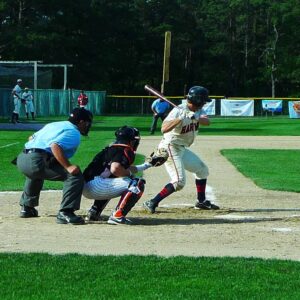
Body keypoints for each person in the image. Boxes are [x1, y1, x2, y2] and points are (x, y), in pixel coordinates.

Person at [143, 86, 219, 213]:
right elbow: (164, 128)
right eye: (204, 100)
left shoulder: (198, 110)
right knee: (179, 182)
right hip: (170, 147)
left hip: (182, 148)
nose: (205, 103)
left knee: (202, 170)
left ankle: (201, 202)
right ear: (197, 100)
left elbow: (207, 121)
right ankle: (152, 202)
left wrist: (195, 117)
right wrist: (180, 119)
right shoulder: (178, 111)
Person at [16, 107, 93, 225]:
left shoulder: (55, 124)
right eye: (87, 123)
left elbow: (31, 138)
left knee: (35, 173)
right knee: (74, 175)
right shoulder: (74, 132)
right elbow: (55, 146)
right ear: (81, 122)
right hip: (36, 160)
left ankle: (27, 208)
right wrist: (68, 167)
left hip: (22, 159)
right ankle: (66, 212)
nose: (88, 126)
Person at [83, 126, 152, 225]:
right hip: (97, 186)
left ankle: (94, 212)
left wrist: (147, 165)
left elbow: (121, 169)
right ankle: (118, 216)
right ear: (131, 140)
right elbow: (116, 169)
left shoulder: (111, 148)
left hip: (87, 185)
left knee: (112, 179)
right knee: (137, 183)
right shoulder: (125, 149)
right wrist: (130, 175)